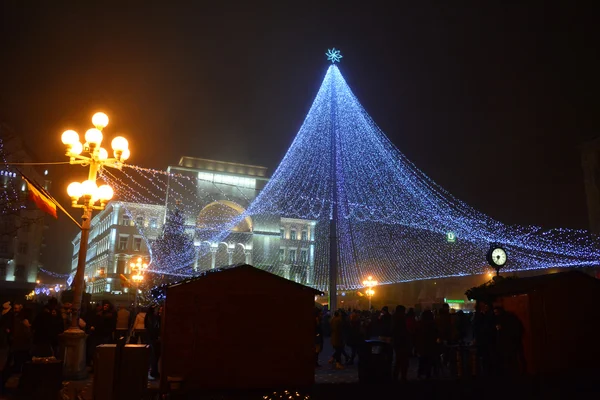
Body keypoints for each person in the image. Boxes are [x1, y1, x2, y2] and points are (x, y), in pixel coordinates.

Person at [416, 310, 438, 379]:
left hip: (422, 345)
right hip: (431, 345)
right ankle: (428, 375)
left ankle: (420, 374)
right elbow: (436, 334)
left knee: (422, 360)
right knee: (429, 361)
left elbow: (416, 335)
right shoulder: (433, 324)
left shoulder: (419, 324)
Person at [392, 305, 410, 381]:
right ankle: (403, 376)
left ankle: (396, 376)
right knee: (403, 360)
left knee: (398, 360)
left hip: (397, 341)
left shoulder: (394, 318)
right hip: (402, 341)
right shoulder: (401, 319)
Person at [145, 305, 161, 380]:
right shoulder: (152, 317)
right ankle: (153, 372)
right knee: (153, 356)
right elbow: (152, 328)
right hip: (152, 338)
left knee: (153, 356)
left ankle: (153, 372)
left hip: (151, 338)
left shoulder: (150, 316)